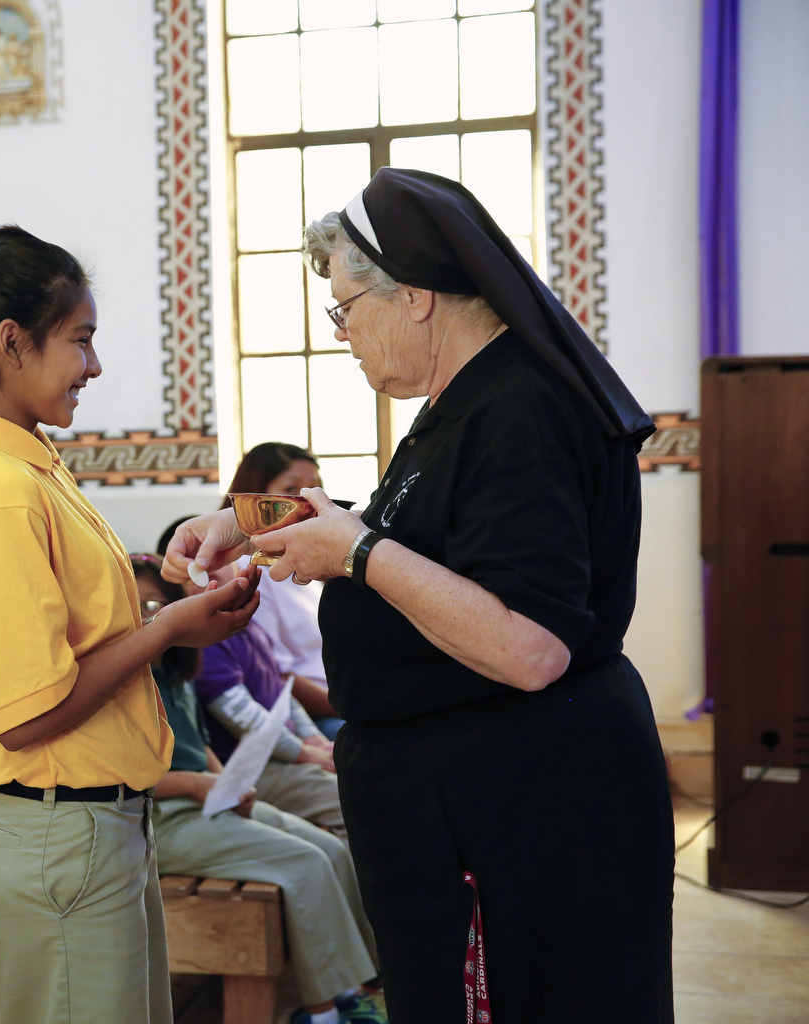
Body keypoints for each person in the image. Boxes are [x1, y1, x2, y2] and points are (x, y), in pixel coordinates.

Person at [163, 169, 672, 1023]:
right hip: (472, 797)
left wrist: (357, 555)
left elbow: (530, 644)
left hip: (522, 808)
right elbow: (414, 528)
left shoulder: (522, 411)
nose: (340, 334)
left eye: (345, 307)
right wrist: (244, 522)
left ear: (418, 296)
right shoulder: (463, 403)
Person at [0, 224, 261, 1024]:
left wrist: (174, 618)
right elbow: (27, 714)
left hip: (94, 825)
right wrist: (163, 633)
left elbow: (77, 642)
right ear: (11, 342)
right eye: (80, 341)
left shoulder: (32, 462)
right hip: (51, 838)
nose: (94, 365)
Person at [132, 555, 385, 1024]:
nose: (151, 616)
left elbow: (199, 743)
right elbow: (129, 776)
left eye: (159, 605)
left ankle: (356, 984)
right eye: (139, 605)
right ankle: (321, 1012)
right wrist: (198, 784)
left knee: (329, 849)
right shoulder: (128, 680)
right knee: (304, 863)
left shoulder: (173, 671)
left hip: (203, 801)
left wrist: (227, 781)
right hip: (161, 818)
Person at [222, 442, 344, 740]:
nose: (308, 501)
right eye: (291, 489)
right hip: (312, 717)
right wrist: (350, 707)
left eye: (315, 488)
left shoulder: (308, 556)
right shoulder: (252, 567)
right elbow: (275, 673)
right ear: (256, 499)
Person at [195, 615, 347, 838]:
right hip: (249, 768)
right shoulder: (204, 641)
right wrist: (306, 753)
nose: (205, 577)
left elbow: (283, 691)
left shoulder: (249, 624)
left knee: (364, 778)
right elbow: (247, 721)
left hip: (282, 754)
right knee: (350, 799)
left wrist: (314, 739)